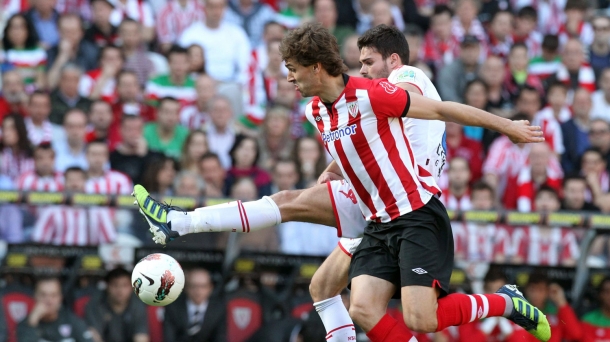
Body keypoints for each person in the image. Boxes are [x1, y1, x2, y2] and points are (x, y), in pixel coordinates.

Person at [133, 23, 548, 342]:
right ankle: (179, 222)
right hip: (376, 218)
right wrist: (333, 169)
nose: (289, 80)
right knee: (355, 305)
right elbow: (353, 145)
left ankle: (505, 301)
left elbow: (442, 110)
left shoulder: (381, 91)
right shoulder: (317, 110)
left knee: (420, 318)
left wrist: (506, 126)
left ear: (316, 68)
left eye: (294, 71)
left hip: (415, 212)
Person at [17, 276, 94, 342]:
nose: (49, 301)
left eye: (53, 295)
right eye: (43, 295)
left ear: (60, 298)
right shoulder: (25, 324)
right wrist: (33, 321)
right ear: (35, 297)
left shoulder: (72, 321)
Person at [84, 268, 149, 342]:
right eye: (115, 285)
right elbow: (93, 336)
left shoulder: (137, 304)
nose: (120, 290)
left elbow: (141, 337)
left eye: (125, 285)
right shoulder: (95, 304)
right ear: (107, 286)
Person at [163, 268, 226, 342]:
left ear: (210, 288)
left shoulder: (219, 309)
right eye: (193, 286)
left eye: (203, 286)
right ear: (186, 287)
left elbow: (220, 338)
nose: (198, 291)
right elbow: (169, 338)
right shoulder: (173, 308)